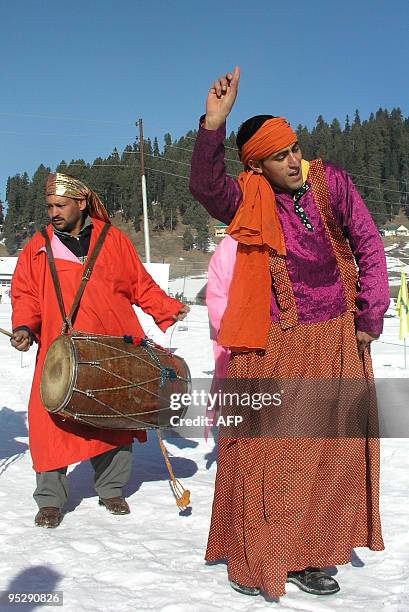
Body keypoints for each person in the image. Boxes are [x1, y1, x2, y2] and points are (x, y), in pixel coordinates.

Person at [189, 66, 389, 598]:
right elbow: (205, 187)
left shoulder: (332, 182)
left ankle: (313, 556)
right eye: (280, 156)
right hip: (272, 343)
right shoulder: (247, 198)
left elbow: (368, 244)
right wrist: (214, 124)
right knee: (270, 453)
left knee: (329, 453)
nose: (294, 161)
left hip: (336, 338)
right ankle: (260, 553)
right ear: (256, 164)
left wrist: (369, 316)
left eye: (295, 148)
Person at [11, 172, 189, 529]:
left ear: (81, 203)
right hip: (60, 350)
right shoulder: (39, 245)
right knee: (49, 423)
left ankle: (111, 489)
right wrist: (24, 327)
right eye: (49, 206)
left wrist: (166, 308)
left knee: (114, 418)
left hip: (112, 344)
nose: (53, 212)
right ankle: (49, 500)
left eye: (60, 205)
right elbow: (25, 292)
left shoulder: (113, 240)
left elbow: (140, 284)